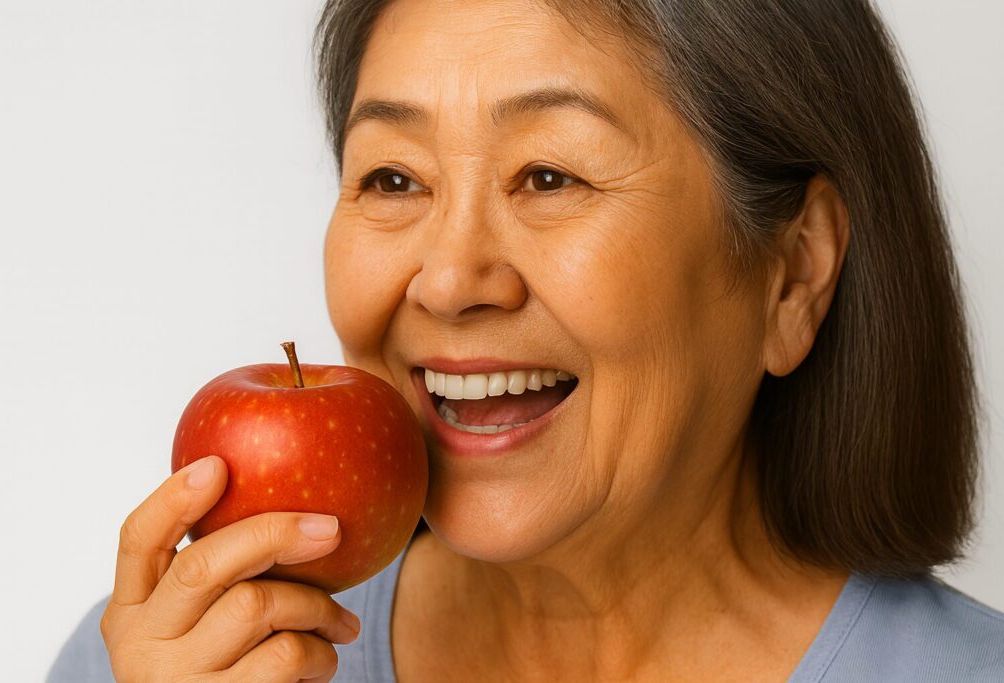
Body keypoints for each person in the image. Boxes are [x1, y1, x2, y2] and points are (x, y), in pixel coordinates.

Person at [50, 0, 1004, 681]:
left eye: (550, 176)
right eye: (392, 179)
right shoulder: (168, 660)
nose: (451, 278)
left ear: (792, 273)